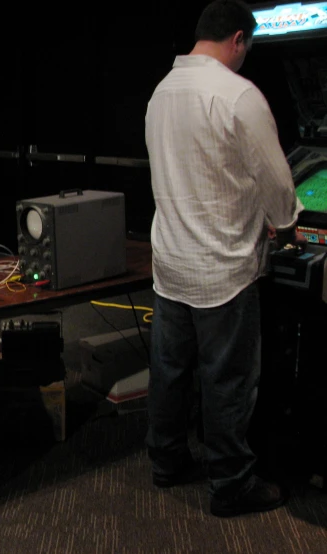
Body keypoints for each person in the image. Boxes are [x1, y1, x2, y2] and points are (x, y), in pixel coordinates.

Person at [144, 0, 303, 518]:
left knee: (170, 372)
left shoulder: (160, 93)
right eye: (247, 47)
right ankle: (231, 485)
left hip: (171, 264)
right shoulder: (238, 94)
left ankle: (166, 463)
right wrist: (289, 219)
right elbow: (279, 184)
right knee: (227, 380)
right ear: (238, 39)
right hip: (223, 270)